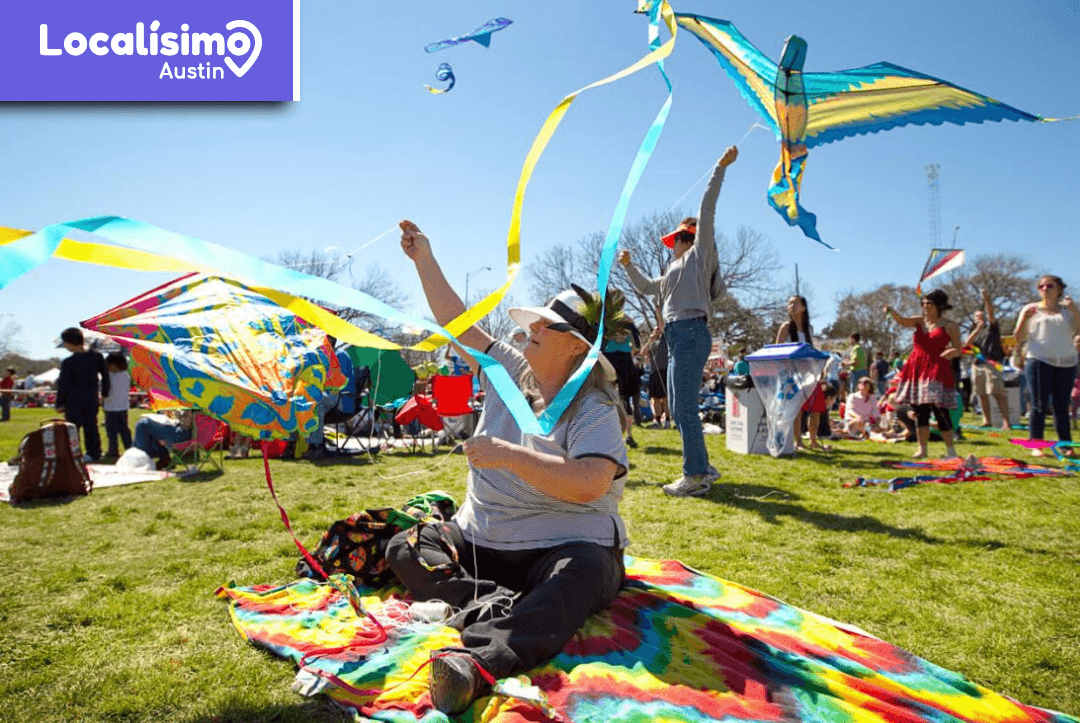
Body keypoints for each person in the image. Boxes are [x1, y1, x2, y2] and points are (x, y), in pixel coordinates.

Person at [387, 220, 630, 716]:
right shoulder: (506, 371)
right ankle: (492, 601)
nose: (530, 330)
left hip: (563, 548)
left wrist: (512, 455)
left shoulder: (594, 408)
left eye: (547, 327)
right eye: (533, 324)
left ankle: (479, 659)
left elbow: (589, 484)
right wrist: (424, 260)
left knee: (583, 572)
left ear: (578, 348)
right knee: (407, 546)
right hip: (483, 543)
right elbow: (458, 323)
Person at [619, 145, 736, 497]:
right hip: (675, 335)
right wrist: (628, 265)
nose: (675, 244)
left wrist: (719, 167)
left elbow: (707, 209)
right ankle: (703, 467)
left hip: (690, 332)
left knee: (683, 406)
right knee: (677, 405)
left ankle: (695, 476)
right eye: (676, 239)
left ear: (688, 238)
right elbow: (645, 287)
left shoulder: (700, 257)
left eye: (679, 238)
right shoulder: (672, 270)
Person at [883, 290, 962, 459]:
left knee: (940, 411)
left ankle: (951, 450)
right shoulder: (919, 321)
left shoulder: (949, 325)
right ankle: (922, 449)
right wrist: (891, 310)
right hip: (916, 368)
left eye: (929, 303)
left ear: (939, 306)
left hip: (936, 369)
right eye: (924, 303)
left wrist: (949, 353)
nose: (925, 306)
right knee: (920, 412)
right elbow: (902, 321)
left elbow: (959, 349)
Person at [1014, 275, 1080, 456]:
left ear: (1059, 289)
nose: (1045, 289)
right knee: (1039, 405)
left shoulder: (1068, 310)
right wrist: (1025, 319)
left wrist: (1075, 311)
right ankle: (1036, 444)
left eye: (1050, 285)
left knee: (1062, 406)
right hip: (1038, 359)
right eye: (1041, 286)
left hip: (1066, 362)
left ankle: (1066, 445)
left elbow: (1078, 331)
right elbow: (1018, 337)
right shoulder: (1031, 309)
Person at [775, 295, 829, 451]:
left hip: (809, 373)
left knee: (816, 408)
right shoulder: (786, 327)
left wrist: (821, 367)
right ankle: (798, 442)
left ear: (804, 307)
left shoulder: (809, 329)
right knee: (797, 408)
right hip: (791, 374)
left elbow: (812, 350)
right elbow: (777, 349)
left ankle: (813, 440)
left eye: (795, 303)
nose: (791, 305)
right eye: (789, 303)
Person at [56, 327, 111, 462]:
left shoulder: (68, 362)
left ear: (68, 343)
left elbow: (63, 384)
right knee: (91, 427)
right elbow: (106, 377)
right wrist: (104, 394)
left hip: (72, 400)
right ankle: (94, 454)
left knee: (72, 430)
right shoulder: (96, 356)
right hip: (91, 398)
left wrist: (59, 403)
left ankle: (72, 454)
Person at [966, 289, 1010, 431]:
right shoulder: (975, 332)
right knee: (981, 394)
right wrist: (977, 328)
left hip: (993, 364)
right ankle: (987, 421)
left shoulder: (992, 328)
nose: (980, 318)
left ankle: (1006, 422)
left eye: (981, 316)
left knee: (997, 392)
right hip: (978, 365)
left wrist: (987, 299)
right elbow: (966, 345)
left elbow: (991, 311)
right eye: (977, 317)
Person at [602, 315, 642, 447]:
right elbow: (637, 346)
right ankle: (628, 435)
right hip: (625, 361)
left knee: (606, 398)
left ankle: (609, 435)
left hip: (610, 360)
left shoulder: (606, 319)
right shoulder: (627, 321)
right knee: (625, 401)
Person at [102, 354, 132, 458]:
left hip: (111, 408)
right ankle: (130, 449)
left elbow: (107, 392)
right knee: (124, 431)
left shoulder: (110, 377)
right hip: (123, 407)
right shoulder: (126, 376)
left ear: (114, 365)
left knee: (111, 432)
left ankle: (113, 451)